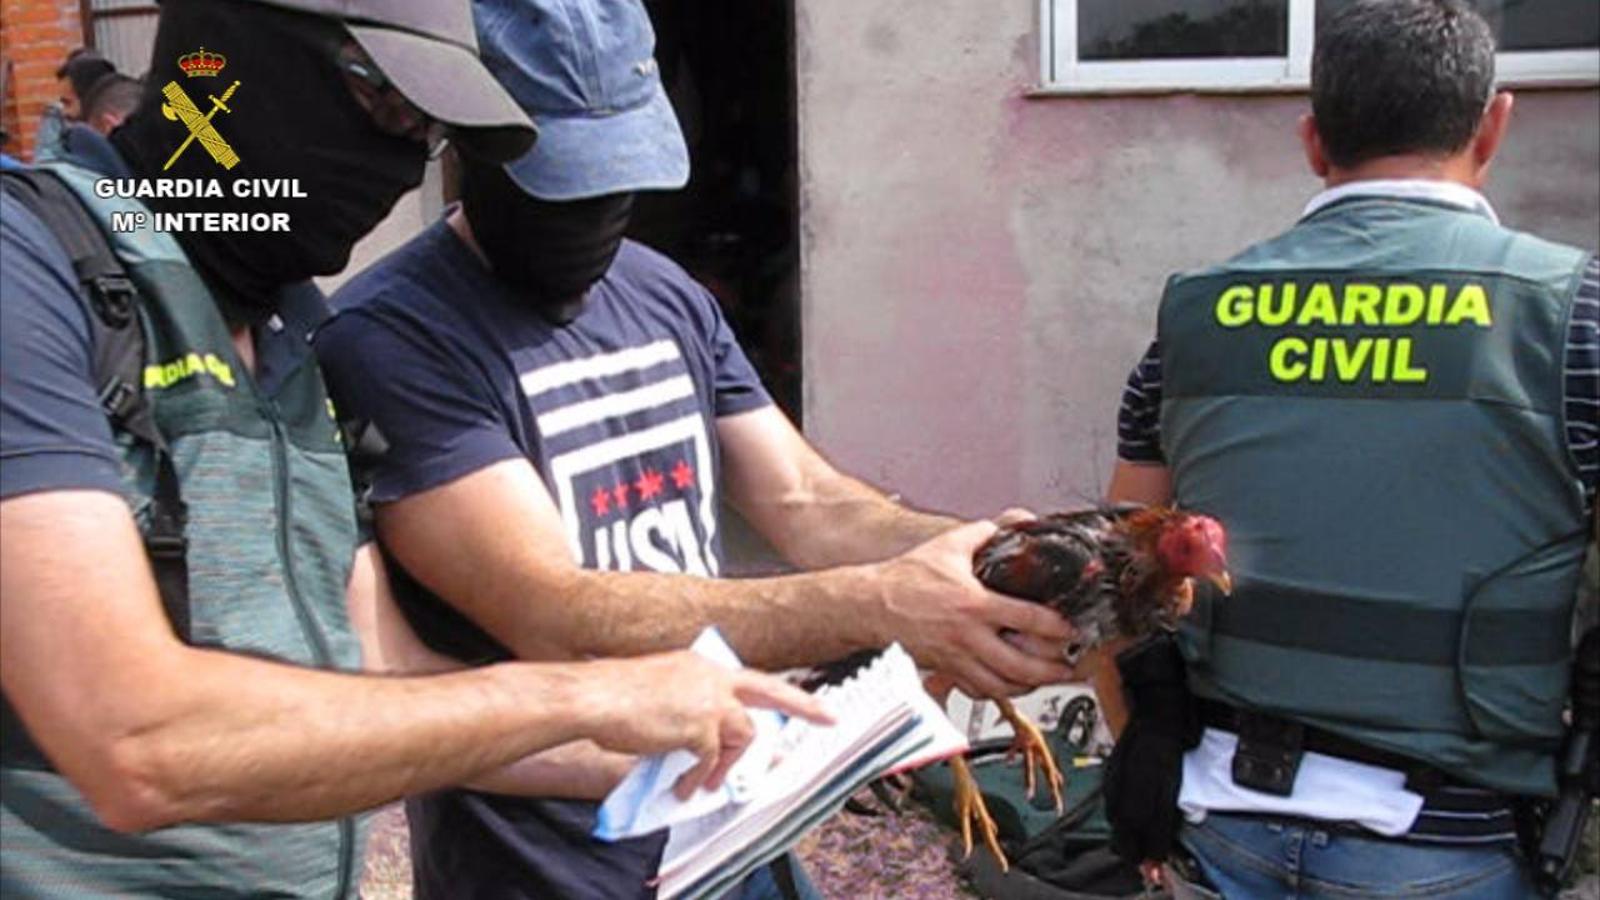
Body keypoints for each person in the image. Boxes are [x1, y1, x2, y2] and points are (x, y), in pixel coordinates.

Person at [0, 1, 828, 897]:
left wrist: (707, 743)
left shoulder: (294, 329)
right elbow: (129, 738)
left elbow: (385, 667)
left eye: (426, 130)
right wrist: (581, 694)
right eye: (387, 105)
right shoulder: (30, 269)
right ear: (228, 59)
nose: (400, 167)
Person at [313, 0, 1077, 895]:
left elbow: (806, 502)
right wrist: (882, 604)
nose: (596, 214)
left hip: (739, 832)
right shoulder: (391, 338)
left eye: (618, 181)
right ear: (468, 144)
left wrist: (992, 562)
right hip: (556, 869)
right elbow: (547, 607)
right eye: (564, 181)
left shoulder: (662, 292)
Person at [1104, 1, 1599, 897]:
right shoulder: (1576, 314)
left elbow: (1113, 578)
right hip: (1453, 841)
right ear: (1494, 124)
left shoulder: (1194, 316)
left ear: (1312, 139)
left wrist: (1145, 762)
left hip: (1222, 826)